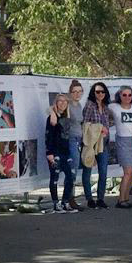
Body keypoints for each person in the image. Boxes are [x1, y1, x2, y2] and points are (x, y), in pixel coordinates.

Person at [80, 81, 112, 209]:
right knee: (87, 171)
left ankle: (100, 198)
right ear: (93, 93)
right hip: (91, 143)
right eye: (97, 91)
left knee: (103, 172)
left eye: (102, 91)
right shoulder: (89, 105)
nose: (100, 94)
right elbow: (85, 124)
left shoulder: (105, 107)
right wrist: (99, 128)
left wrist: (106, 130)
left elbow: (108, 122)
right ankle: (89, 199)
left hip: (103, 143)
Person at [45, 93, 78, 213]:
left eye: (65, 101)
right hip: (55, 152)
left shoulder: (67, 117)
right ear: (56, 103)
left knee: (70, 177)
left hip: (65, 152)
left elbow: (66, 137)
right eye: (60, 101)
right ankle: (56, 204)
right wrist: (49, 152)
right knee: (55, 177)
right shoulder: (51, 117)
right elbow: (49, 136)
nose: (63, 103)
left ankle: (65, 202)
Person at [109, 85, 132, 207]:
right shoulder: (113, 107)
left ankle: (126, 198)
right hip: (123, 142)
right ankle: (121, 200)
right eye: (124, 95)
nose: (127, 97)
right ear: (120, 95)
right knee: (127, 171)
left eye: (129, 95)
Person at [63, 79, 85, 210]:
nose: (77, 94)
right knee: (72, 170)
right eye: (74, 92)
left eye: (79, 91)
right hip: (70, 139)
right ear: (70, 93)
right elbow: (52, 110)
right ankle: (68, 199)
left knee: (74, 169)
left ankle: (69, 198)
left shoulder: (79, 106)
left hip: (78, 139)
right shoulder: (68, 105)